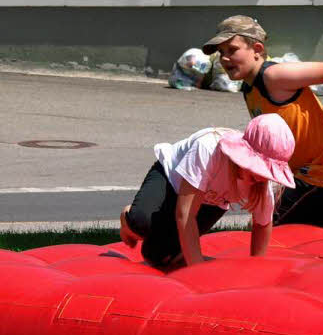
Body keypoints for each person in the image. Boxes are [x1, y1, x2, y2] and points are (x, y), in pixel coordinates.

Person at [202, 15, 323, 236]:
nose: (225, 58)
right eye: (221, 53)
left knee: (267, 230)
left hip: (322, 173)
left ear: (256, 49)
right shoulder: (250, 89)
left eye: (232, 50)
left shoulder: (273, 76)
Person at [119, 113, 295, 268]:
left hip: (212, 200)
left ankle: (163, 246)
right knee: (142, 222)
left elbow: (262, 224)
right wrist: (198, 269)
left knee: (158, 256)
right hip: (172, 179)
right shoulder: (209, 149)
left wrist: (256, 266)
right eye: (259, 170)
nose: (261, 177)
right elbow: (186, 213)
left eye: (267, 172)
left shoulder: (261, 184)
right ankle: (129, 218)